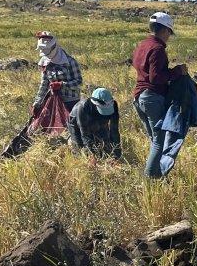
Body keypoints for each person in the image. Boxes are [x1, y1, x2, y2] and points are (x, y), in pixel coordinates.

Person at [132, 11, 189, 178]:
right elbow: (156, 77)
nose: (169, 37)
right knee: (159, 141)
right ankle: (151, 180)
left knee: (154, 139)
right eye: (169, 33)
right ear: (164, 30)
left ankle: (155, 174)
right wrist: (177, 72)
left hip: (139, 96)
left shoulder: (142, 45)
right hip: (152, 97)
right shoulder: (157, 49)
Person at [33, 31, 82, 114]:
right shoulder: (45, 62)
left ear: (54, 47)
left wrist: (61, 85)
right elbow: (44, 84)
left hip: (71, 102)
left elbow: (78, 82)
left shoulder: (70, 62)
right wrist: (37, 103)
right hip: (53, 100)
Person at [67, 87, 122, 161]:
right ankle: (70, 140)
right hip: (77, 124)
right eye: (103, 109)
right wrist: (91, 155)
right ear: (95, 104)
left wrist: (117, 154)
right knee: (79, 149)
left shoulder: (113, 104)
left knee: (106, 148)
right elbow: (85, 134)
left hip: (98, 120)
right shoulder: (83, 108)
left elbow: (114, 129)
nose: (106, 111)